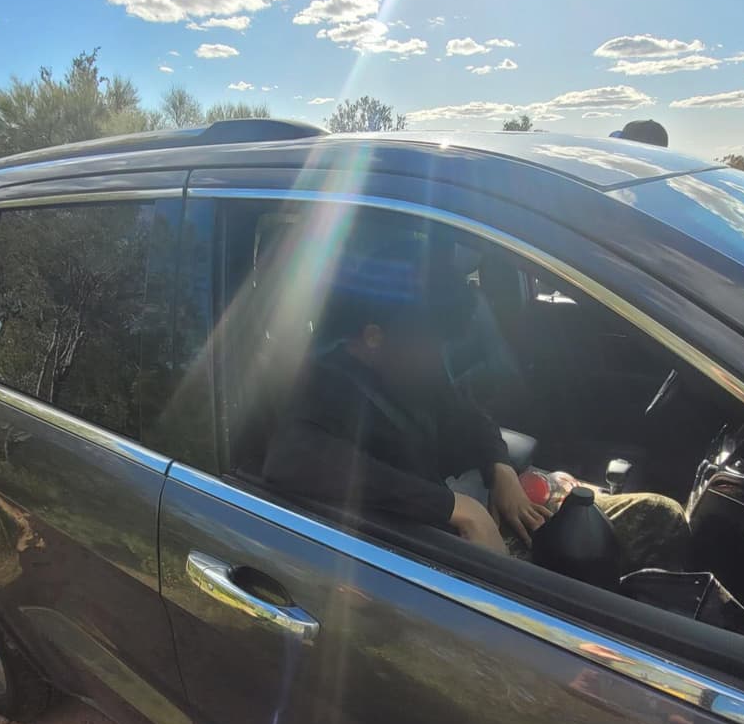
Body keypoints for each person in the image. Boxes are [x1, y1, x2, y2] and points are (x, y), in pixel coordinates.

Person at [261, 233, 691, 573]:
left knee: (661, 513)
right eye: (432, 342)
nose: (441, 356)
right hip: (442, 556)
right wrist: (453, 508)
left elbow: (473, 420)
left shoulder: (412, 370)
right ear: (374, 337)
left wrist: (500, 471)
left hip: (481, 514)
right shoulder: (322, 386)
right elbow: (291, 459)